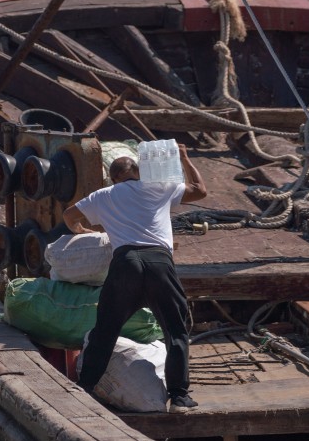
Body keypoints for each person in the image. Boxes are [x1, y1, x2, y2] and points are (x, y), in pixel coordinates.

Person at [64, 144, 207, 410]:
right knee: (175, 330)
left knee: (105, 330)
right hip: (159, 264)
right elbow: (200, 190)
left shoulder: (103, 194)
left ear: (112, 177)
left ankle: (85, 388)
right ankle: (179, 397)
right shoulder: (158, 186)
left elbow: (69, 215)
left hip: (125, 264)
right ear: (140, 173)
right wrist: (185, 158)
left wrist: (81, 230)